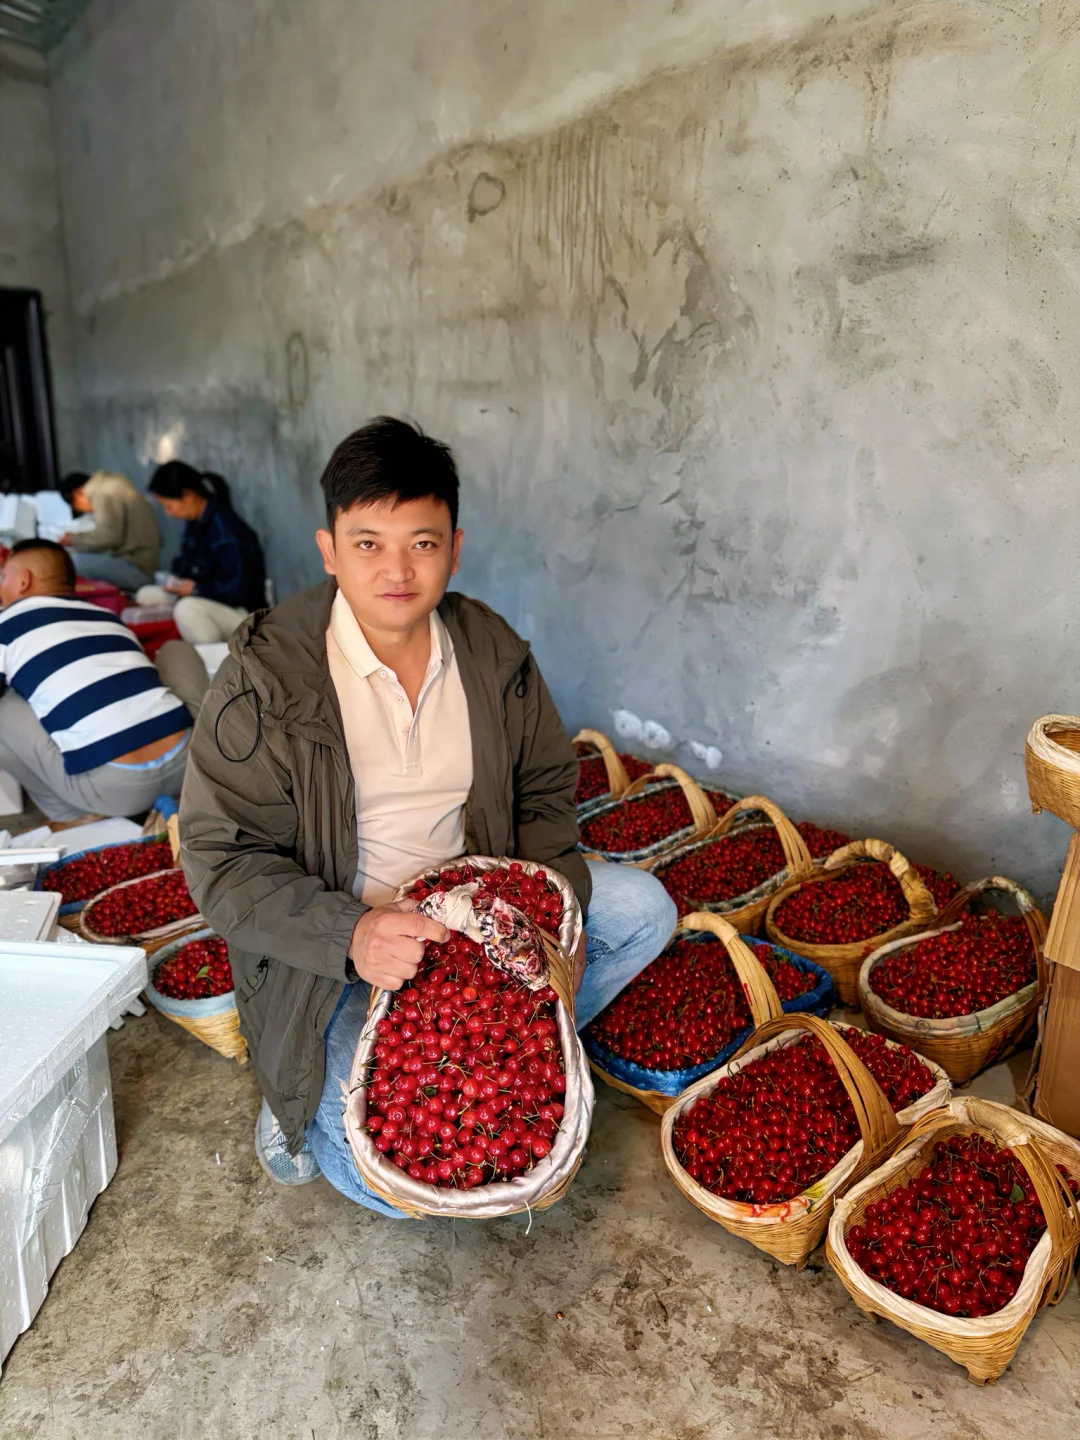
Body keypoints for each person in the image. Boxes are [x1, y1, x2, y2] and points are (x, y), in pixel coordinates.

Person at [179, 417, 676, 1205]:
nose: (397, 569)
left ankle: (502, 1047)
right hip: (342, 949)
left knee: (645, 911)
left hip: (481, 912)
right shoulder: (263, 679)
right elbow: (221, 859)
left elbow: (546, 787)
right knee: (391, 1183)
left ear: (455, 545)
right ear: (328, 548)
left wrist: (527, 908)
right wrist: (352, 935)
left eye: (422, 542)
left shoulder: (493, 651)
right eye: (369, 543)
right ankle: (303, 1098)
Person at [0, 539, 206, 822]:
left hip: (112, 790)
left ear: (23, 581)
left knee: (4, 706)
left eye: (3, 576)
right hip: (190, 765)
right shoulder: (108, 617)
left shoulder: (6, 623)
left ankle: (69, 815)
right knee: (175, 650)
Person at [140, 461, 266, 644]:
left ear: (188, 495)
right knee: (146, 594)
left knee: (186, 609)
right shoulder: (196, 522)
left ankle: (214, 659)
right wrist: (177, 580)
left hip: (242, 612)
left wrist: (196, 589)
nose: (168, 513)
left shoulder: (226, 530)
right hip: (209, 600)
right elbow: (185, 561)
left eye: (169, 506)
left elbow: (237, 589)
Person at [59, 470, 161, 592]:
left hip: (139, 571)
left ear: (78, 494)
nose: (85, 511)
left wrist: (72, 539)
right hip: (142, 565)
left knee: (71, 563)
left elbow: (107, 537)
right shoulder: (111, 486)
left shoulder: (103, 494)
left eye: (77, 507)